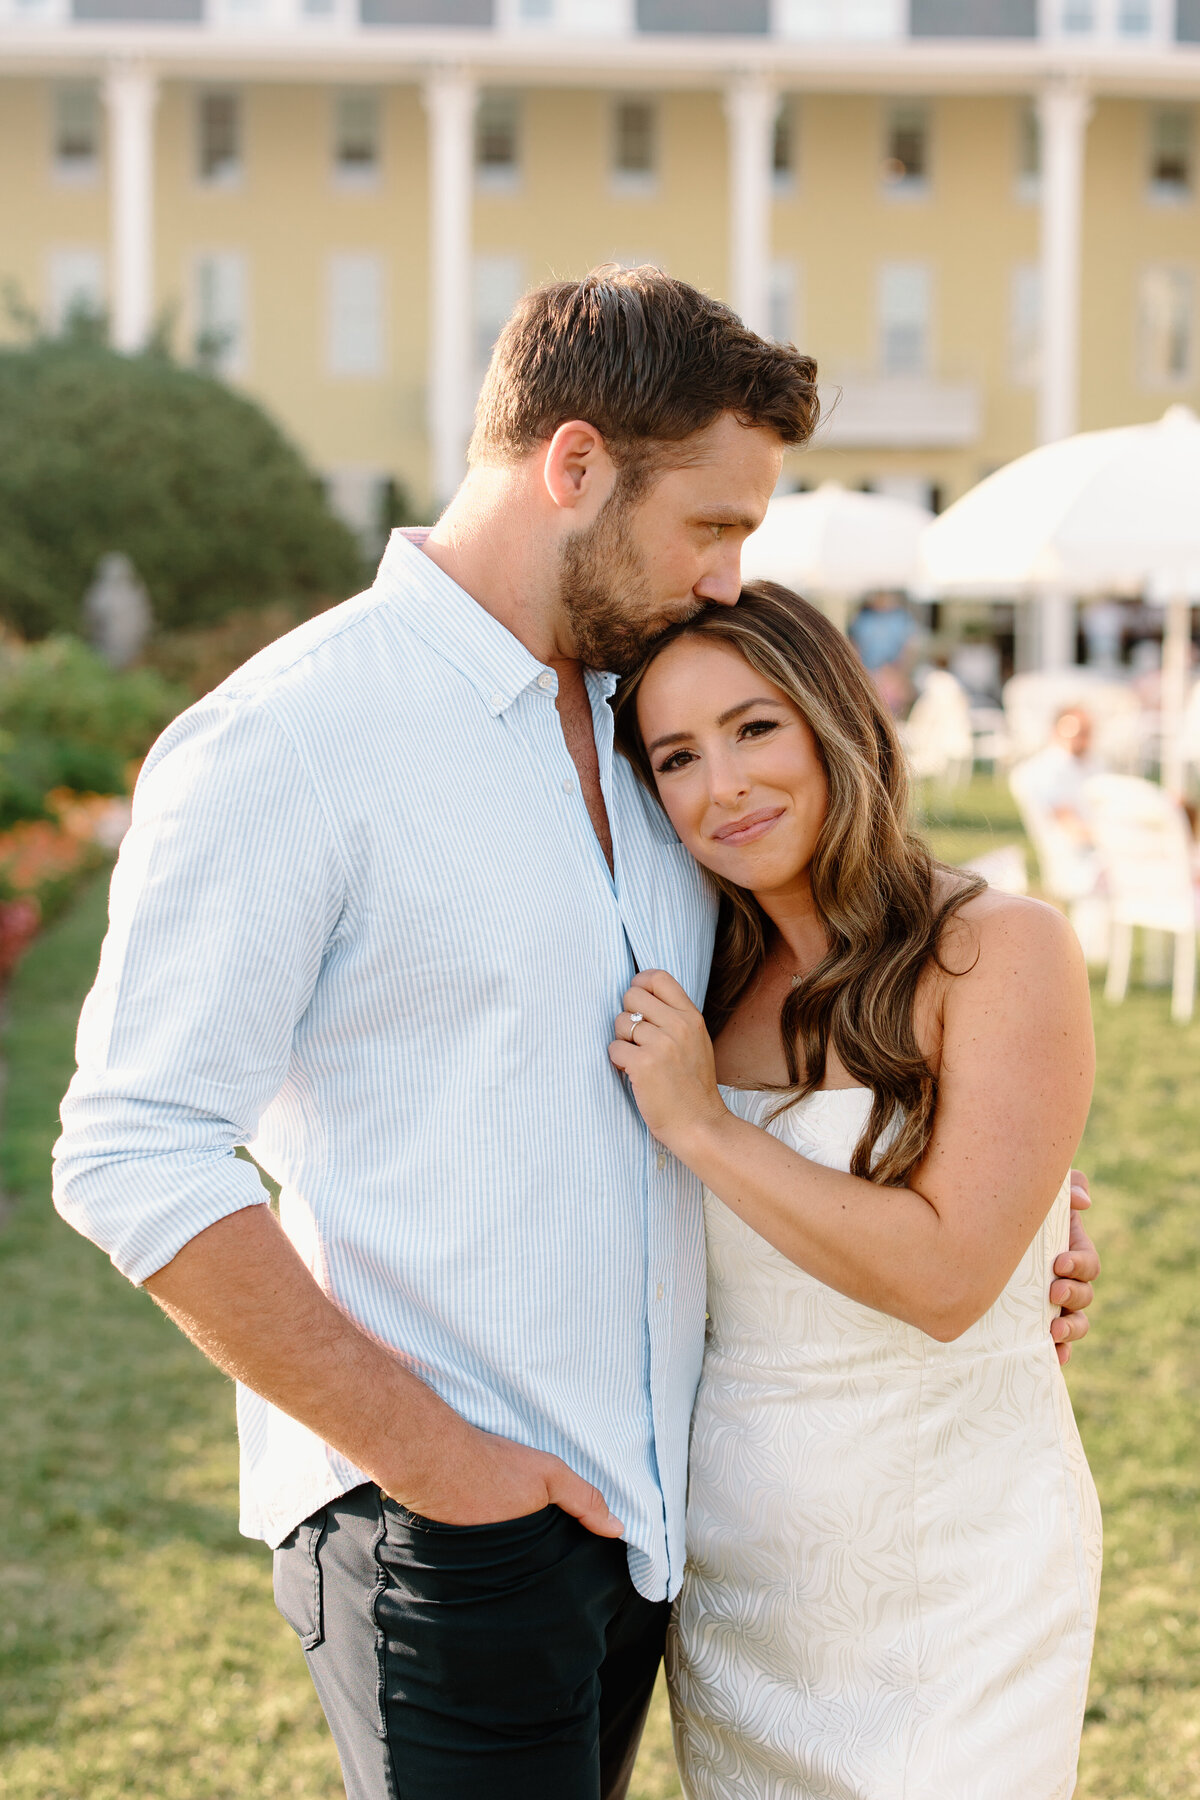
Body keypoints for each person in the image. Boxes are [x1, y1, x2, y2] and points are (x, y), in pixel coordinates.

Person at [51, 268, 1098, 1800]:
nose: (733, 577)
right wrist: (442, 1468)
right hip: (443, 1527)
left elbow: (820, 1036)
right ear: (576, 464)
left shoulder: (646, 730)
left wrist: (1018, 1222)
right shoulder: (291, 739)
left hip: (666, 1532)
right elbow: (130, 1152)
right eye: (715, 524)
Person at [609, 582, 1101, 1800]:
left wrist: (702, 1125)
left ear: (836, 720)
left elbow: (944, 1280)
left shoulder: (996, 947)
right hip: (747, 1567)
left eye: (754, 727)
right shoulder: (693, 991)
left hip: (962, 1555)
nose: (722, 785)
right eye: (677, 756)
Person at [1010, 705, 1103, 903]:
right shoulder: (1045, 771)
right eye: (1075, 732)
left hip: (1097, 851)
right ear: (1056, 731)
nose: (1081, 738)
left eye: (1086, 732)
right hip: (1077, 861)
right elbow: (1073, 830)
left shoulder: (1091, 765)